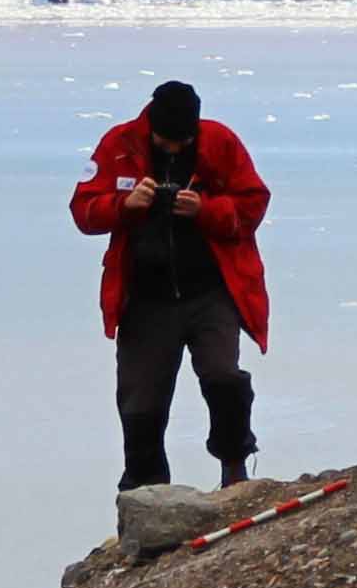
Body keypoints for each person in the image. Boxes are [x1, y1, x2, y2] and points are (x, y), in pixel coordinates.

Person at [72, 78, 269, 493]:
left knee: (223, 377)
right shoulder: (119, 145)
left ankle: (234, 468)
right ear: (151, 127)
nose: (174, 149)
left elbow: (252, 205)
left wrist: (206, 210)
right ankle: (146, 492)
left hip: (211, 292)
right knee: (140, 402)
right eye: (167, 141)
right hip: (146, 300)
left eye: (183, 141)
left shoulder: (221, 143)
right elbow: (83, 211)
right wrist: (125, 207)